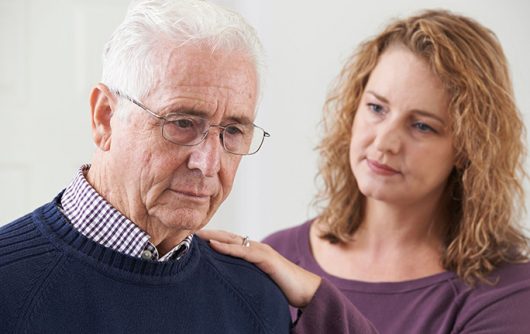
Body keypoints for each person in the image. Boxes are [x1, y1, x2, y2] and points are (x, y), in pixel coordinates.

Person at [199, 9, 530, 333]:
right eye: (376, 108)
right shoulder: (279, 255)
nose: (385, 142)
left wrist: (319, 301)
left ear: (468, 147)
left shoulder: (509, 291)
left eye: (421, 126)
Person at [0, 0, 291, 333]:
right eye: (182, 123)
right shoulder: (8, 287)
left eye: (233, 131)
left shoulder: (258, 299)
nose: (208, 164)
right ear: (105, 118)